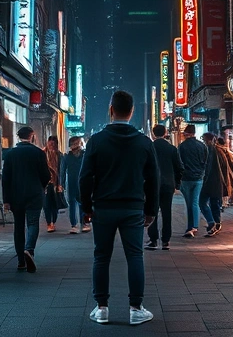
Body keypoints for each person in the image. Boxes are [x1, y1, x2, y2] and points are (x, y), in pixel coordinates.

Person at [80, 91, 158, 326]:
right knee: (135, 256)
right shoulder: (144, 142)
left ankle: (101, 308)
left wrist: (86, 207)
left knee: (101, 256)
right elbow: (153, 179)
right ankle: (136, 308)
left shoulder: (96, 141)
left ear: (111, 110)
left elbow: (85, 178)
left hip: (103, 207)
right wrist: (151, 211)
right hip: (133, 208)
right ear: (132, 111)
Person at [2, 126, 51, 273]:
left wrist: (6, 199)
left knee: (18, 226)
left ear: (18, 137)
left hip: (16, 196)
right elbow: (46, 175)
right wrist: (41, 186)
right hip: (34, 194)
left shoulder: (10, 154)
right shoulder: (38, 153)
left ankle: (20, 261)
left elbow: (6, 178)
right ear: (32, 136)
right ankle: (29, 249)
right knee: (33, 223)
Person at [147, 124, 182, 250]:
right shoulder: (172, 149)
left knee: (152, 211)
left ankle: (153, 240)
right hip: (168, 184)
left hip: (152, 185)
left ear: (153, 133)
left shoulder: (150, 147)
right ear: (165, 132)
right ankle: (166, 241)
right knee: (167, 212)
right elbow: (179, 167)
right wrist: (176, 183)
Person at [199, 133, 233, 237]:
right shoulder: (223, 151)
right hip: (219, 182)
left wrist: (204, 179)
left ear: (208, 140)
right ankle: (216, 223)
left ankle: (213, 223)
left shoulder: (211, 151)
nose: (203, 141)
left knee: (203, 202)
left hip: (211, 182)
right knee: (214, 203)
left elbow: (208, 168)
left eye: (204, 139)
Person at [178, 124, 208, 239]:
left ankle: (191, 226)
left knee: (189, 203)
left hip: (186, 178)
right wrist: (201, 173)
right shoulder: (202, 146)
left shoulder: (182, 146)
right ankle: (193, 226)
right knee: (195, 202)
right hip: (198, 178)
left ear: (186, 133)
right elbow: (205, 161)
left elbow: (179, 162)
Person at [61, 136, 87, 234]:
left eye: (78, 143)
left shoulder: (84, 155)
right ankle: (74, 225)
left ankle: (84, 223)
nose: (77, 146)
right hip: (71, 183)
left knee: (83, 203)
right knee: (72, 204)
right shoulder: (67, 156)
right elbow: (63, 171)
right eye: (75, 144)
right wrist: (61, 184)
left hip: (83, 182)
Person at [43, 136, 63, 233]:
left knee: (55, 204)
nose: (52, 146)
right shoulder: (42, 154)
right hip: (45, 183)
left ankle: (53, 222)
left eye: (54, 144)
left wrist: (60, 184)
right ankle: (49, 223)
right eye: (50, 144)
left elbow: (61, 171)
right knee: (46, 204)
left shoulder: (59, 155)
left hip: (55, 183)